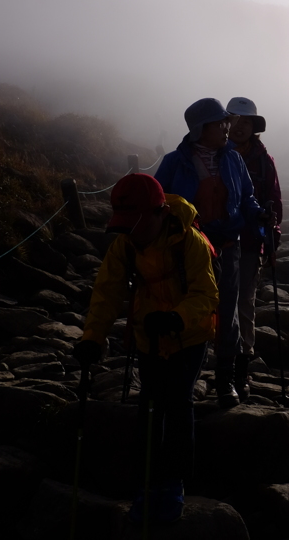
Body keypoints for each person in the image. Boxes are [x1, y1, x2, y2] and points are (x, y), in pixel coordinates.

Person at [72, 173, 218, 524]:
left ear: (159, 212)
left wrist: (176, 319)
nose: (130, 231)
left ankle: (174, 483)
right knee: (150, 405)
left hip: (189, 337)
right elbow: (107, 292)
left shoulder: (191, 243)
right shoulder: (125, 244)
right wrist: (92, 338)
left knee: (178, 403)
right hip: (147, 337)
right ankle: (148, 482)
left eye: (135, 223)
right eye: (125, 224)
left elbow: (207, 295)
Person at [153, 98, 268, 407]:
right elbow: (157, 204)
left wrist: (259, 217)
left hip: (227, 246)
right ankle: (182, 378)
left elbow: (247, 197)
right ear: (201, 129)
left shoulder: (233, 159)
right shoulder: (175, 162)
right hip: (188, 249)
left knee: (227, 312)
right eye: (220, 123)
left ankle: (224, 380)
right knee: (187, 307)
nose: (226, 127)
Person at [226, 97, 283, 399]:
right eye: (235, 120)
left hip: (249, 242)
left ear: (254, 128)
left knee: (244, 302)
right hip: (212, 241)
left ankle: (239, 368)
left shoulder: (264, 160)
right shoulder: (210, 153)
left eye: (246, 122)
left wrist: (272, 239)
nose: (240, 126)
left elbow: (274, 200)